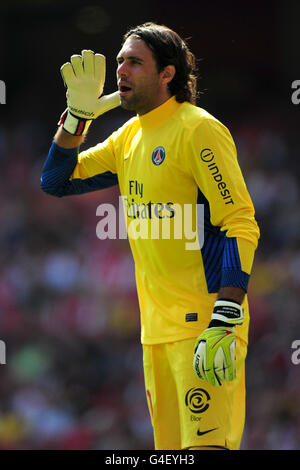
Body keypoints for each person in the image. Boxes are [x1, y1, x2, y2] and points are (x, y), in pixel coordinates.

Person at [41, 22, 260, 450]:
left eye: (134, 62)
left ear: (168, 74)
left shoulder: (198, 129)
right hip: (155, 332)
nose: (121, 70)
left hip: (205, 323)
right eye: (120, 61)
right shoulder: (129, 137)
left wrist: (227, 315)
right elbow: (56, 180)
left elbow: (239, 220)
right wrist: (78, 118)